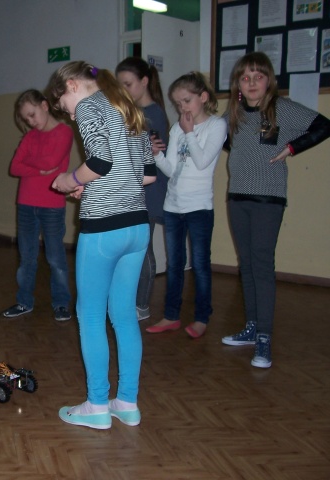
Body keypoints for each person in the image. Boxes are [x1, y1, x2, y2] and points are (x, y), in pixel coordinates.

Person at [47, 61, 156, 430]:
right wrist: (88, 184)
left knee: (91, 315)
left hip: (104, 228)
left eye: (64, 106)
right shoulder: (129, 108)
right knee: (123, 315)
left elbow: (100, 161)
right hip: (137, 226)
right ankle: (127, 403)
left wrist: (69, 179)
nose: (70, 114)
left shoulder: (90, 106)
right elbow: (146, 174)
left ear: (72, 85)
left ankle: (96, 405)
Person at [221, 52, 330, 368]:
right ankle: (252, 327)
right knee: (246, 264)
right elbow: (225, 141)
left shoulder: (281, 108)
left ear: (269, 80)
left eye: (258, 76)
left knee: (261, 263)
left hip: (268, 200)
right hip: (237, 197)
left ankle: (264, 337)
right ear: (238, 84)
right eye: (245, 78)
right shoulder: (234, 113)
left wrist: (292, 148)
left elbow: (323, 126)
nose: (252, 83)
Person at [144, 72, 227, 338]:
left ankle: (202, 317)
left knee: (200, 264)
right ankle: (171, 315)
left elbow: (202, 162)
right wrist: (156, 155)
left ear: (203, 97)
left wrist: (190, 132)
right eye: (178, 104)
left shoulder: (216, 126)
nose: (183, 108)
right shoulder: (177, 128)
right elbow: (171, 169)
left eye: (187, 101)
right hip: (173, 206)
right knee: (175, 263)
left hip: (199, 207)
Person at [1, 89, 73, 322]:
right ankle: (24, 301)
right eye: (26, 119)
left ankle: (61, 303)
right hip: (25, 203)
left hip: (51, 205)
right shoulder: (30, 137)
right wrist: (38, 168)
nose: (31, 122)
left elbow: (52, 161)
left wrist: (29, 163)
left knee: (55, 258)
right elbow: (14, 167)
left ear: (44, 105)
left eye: (32, 115)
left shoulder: (64, 132)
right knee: (27, 257)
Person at [116, 57, 170, 321]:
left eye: (128, 84)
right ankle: (130, 300)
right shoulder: (130, 112)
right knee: (131, 248)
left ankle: (142, 305)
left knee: (142, 249)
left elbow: (152, 155)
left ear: (144, 81)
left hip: (148, 191)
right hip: (132, 189)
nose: (123, 90)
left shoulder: (154, 113)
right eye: (120, 85)